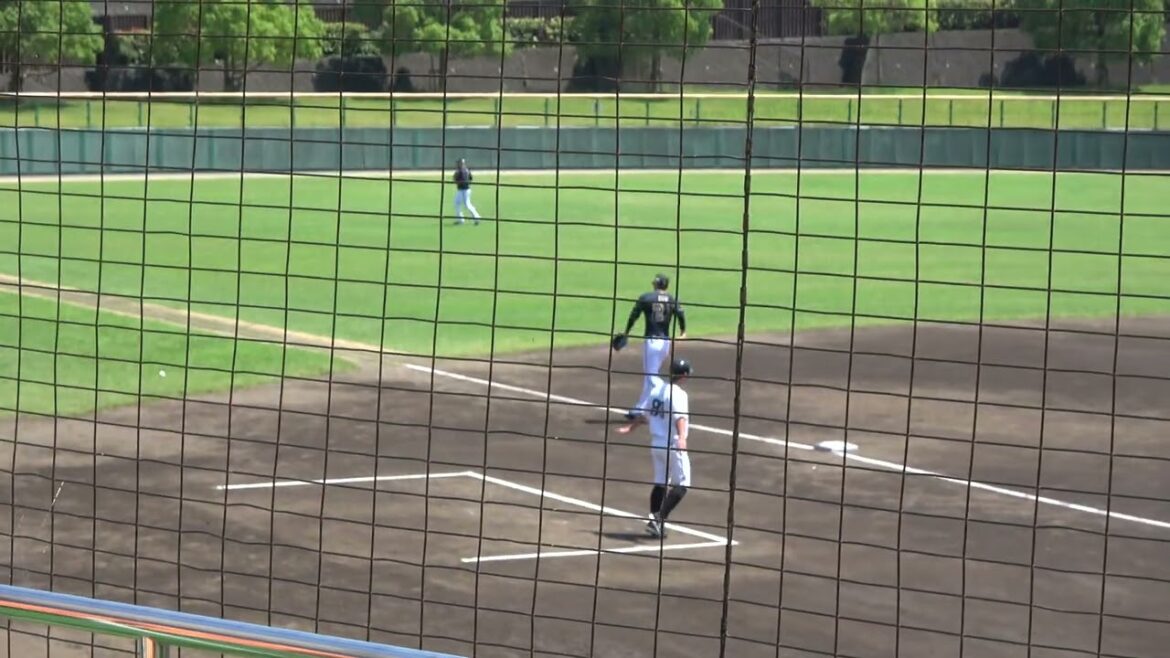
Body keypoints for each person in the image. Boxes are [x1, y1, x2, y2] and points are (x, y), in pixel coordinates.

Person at [616, 358, 693, 539]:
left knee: (660, 482)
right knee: (682, 484)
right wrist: (682, 438)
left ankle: (655, 522)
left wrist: (630, 428)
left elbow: (645, 415)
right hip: (672, 444)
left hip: (657, 444)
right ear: (683, 376)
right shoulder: (679, 394)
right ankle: (658, 519)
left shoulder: (656, 390)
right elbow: (680, 418)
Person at [619, 273, 686, 419]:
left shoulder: (646, 298)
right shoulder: (671, 299)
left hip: (652, 342)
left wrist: (626, 332)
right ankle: (639, 410)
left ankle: (667, 391)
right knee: (649, 375)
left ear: (655, 284)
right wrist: (683, 331)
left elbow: (633, 315)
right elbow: (680, 314)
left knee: (651, 376)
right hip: (665, 343)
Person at [452, 157, 481, 225]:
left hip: (463, 190)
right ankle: (460, 219)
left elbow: (456, 179)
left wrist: (457, 180)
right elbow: (471, 178)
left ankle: (476, 217)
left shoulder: (459, 171)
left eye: (458, 163)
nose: (457, 164)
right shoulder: (467, 170)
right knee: (457, 203)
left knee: (467, 205)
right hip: (464, 190)